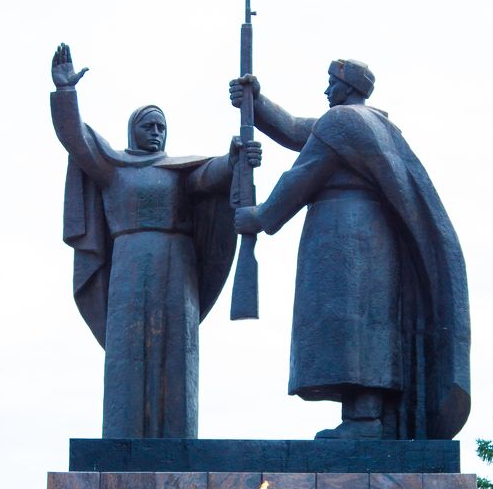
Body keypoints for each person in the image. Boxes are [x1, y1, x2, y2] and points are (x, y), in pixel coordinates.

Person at [230, 59, 470, 440]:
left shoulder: (342, 121)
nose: (327, 90)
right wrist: (255, 102)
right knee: (363, 327)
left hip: (347, 233)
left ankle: (364, 422)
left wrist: (260, 216)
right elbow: (295, 130)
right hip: (369, 235)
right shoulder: (370, 126)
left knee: (352, 329)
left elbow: (302, 175)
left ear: (349, 86)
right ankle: (365, 418)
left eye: (331, 83)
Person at [51, 43, 260, 439]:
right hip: (130, 264)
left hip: (178, 267)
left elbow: (210, 175)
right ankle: (122, 435)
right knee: (128, 350)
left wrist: (234, 159)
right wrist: (65, 93)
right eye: (149, 126)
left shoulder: (179, 172)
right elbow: (77, 140)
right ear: (133, 130)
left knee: (177, 351)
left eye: (161, 128)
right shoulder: (114, 169)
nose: (156, 133)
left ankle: (177, 437)